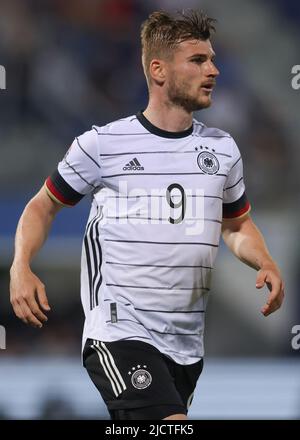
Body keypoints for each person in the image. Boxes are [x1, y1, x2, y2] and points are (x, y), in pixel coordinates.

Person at [9, 10, 285, 420]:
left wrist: (263, 260)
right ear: (158, 69)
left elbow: (237, 224)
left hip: (186, 344)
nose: (213, 70)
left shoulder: (223, 149)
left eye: (211, 59)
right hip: (120, 331)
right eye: (197, 60)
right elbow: (42, 206)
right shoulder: (101, 145)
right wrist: (21, 266)